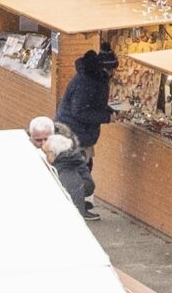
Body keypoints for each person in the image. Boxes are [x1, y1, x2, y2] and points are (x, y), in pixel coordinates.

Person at [55, 39, 119, 217]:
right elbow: (80, 111)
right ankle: (76, 207)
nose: (113, 73)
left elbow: (93, 104)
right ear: (103, 68)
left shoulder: (94, 78)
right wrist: (106, 117)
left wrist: (108, 110)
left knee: (84, 169)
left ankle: (77, 203)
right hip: (73, 135)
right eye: (111, 69)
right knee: (78, 175)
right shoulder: (87, 82)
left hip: (81, 135)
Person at [47, 134, 92, 214]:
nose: (45, 156)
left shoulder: (65, 173)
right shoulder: (70, 164)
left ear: (54, 153)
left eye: (46, 152)